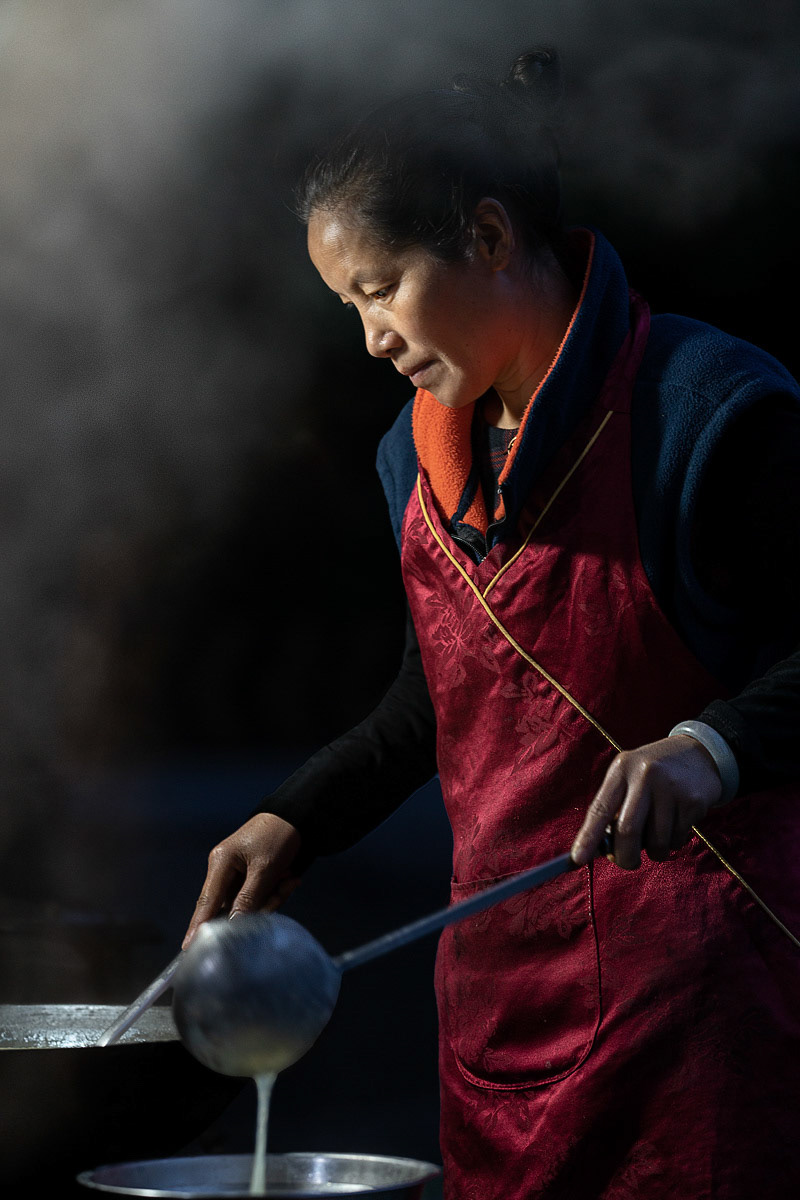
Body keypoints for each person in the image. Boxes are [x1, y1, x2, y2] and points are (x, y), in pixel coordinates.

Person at [183, 49, 800, 1199]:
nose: (369, 338)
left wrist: (709, 748)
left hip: (707, 1023)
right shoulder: (411, 459)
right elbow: (445, 694)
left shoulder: (702, 412)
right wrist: (296, 818)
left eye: (378, 289)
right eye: (348, 306)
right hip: (499, 1021)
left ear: (485, 235)